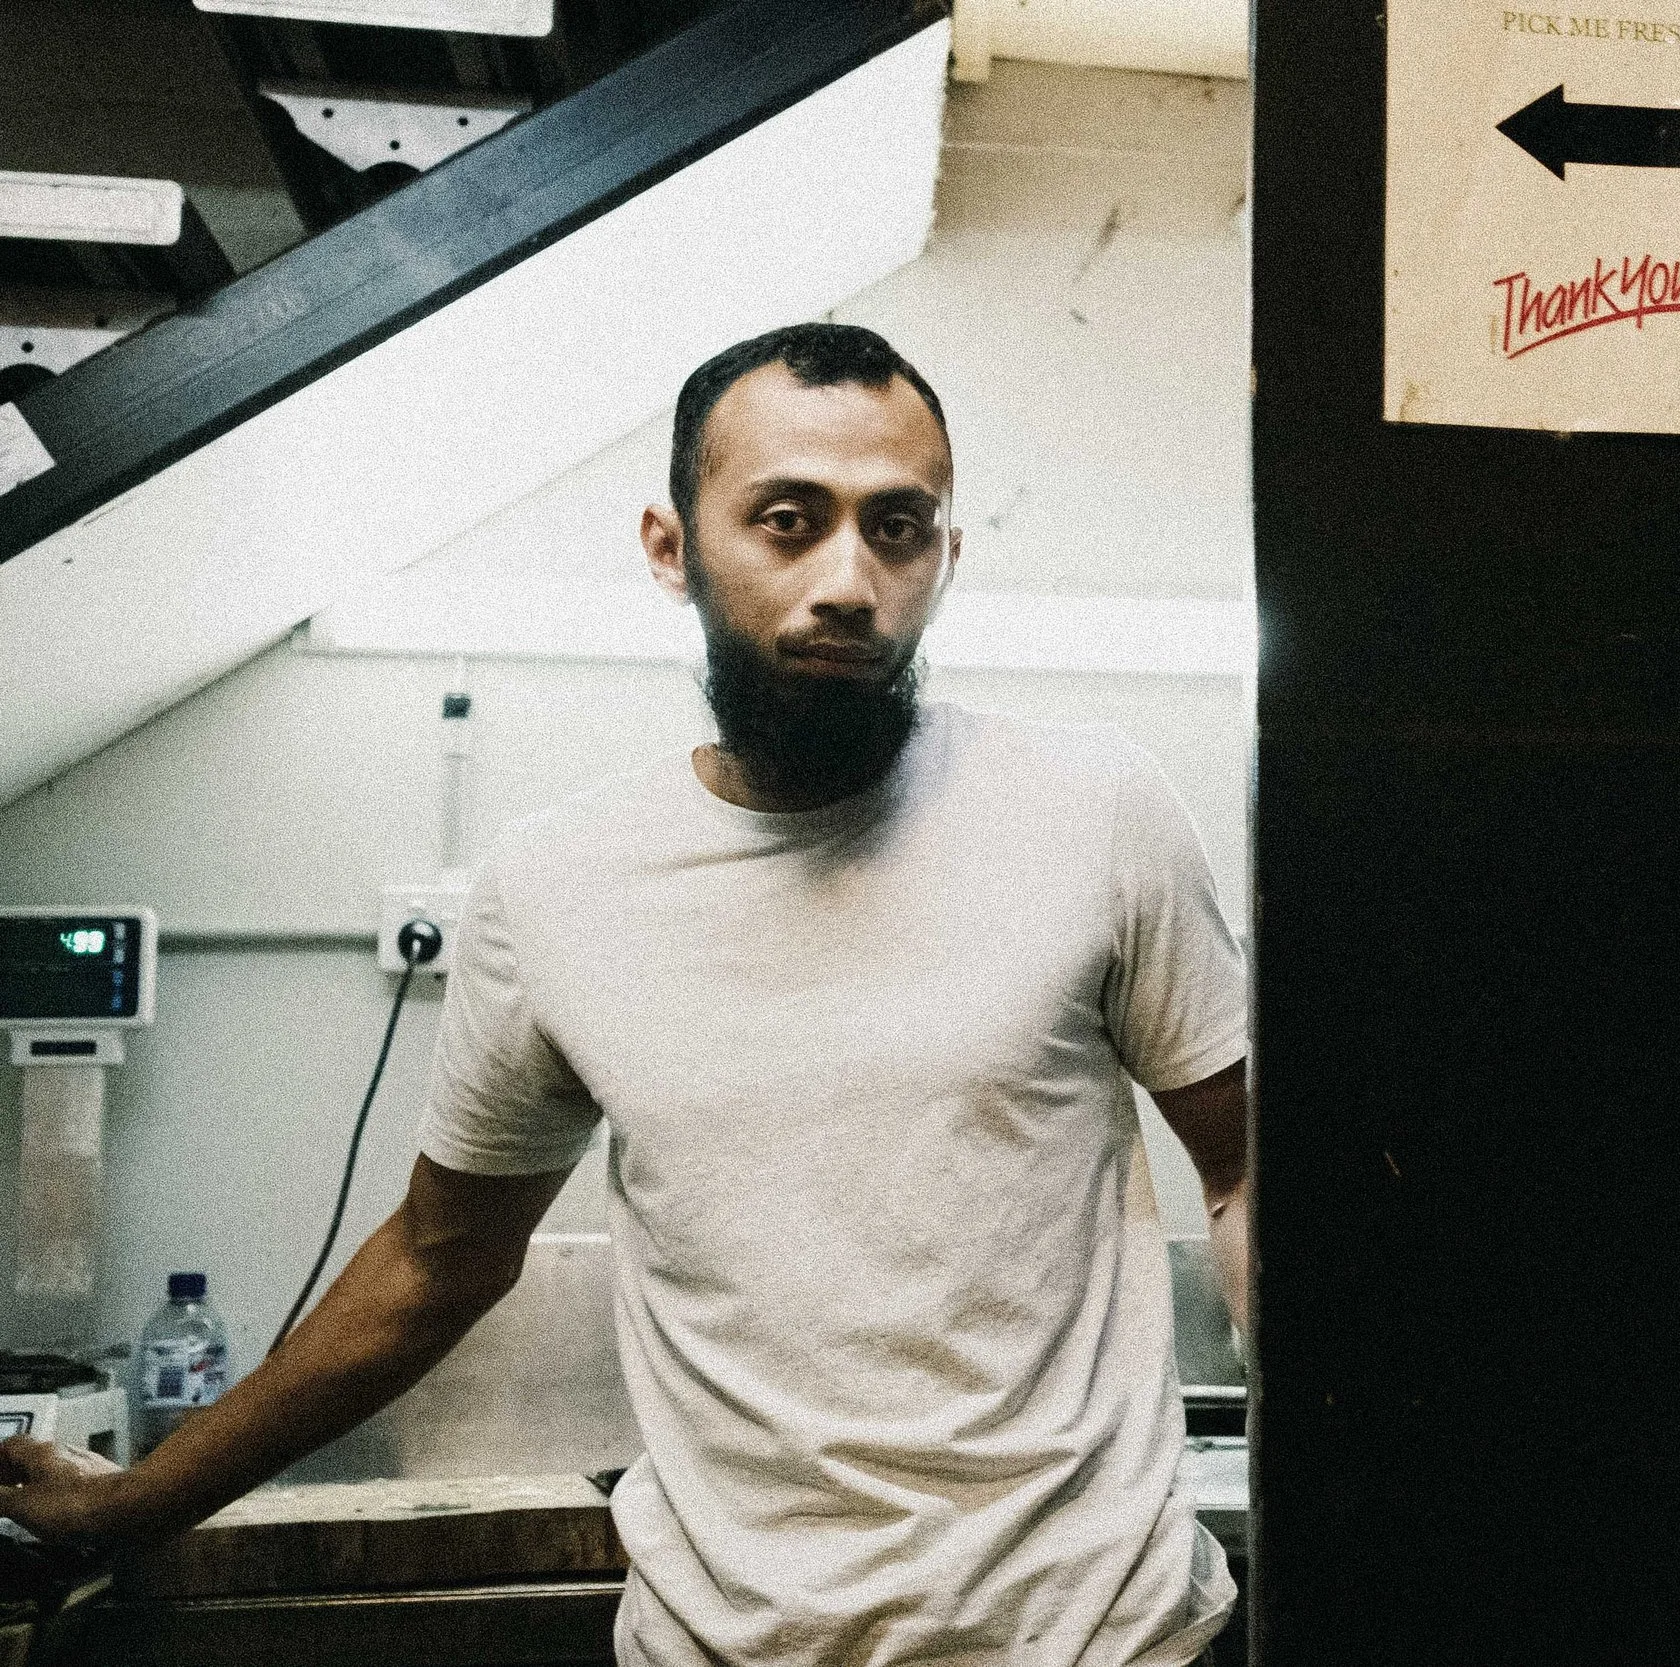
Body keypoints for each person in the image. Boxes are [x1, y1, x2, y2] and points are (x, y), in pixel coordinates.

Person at [0, 323, 1251, 1667]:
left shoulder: (1096, 813)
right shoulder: (555, 887)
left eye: (898, 528)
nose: (849, 579)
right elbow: (434, 1260)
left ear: (947, 555)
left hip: (1108, 1645)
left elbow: (1243, 1176)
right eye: (789, 519)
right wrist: (139, 1496)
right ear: (672, 546)